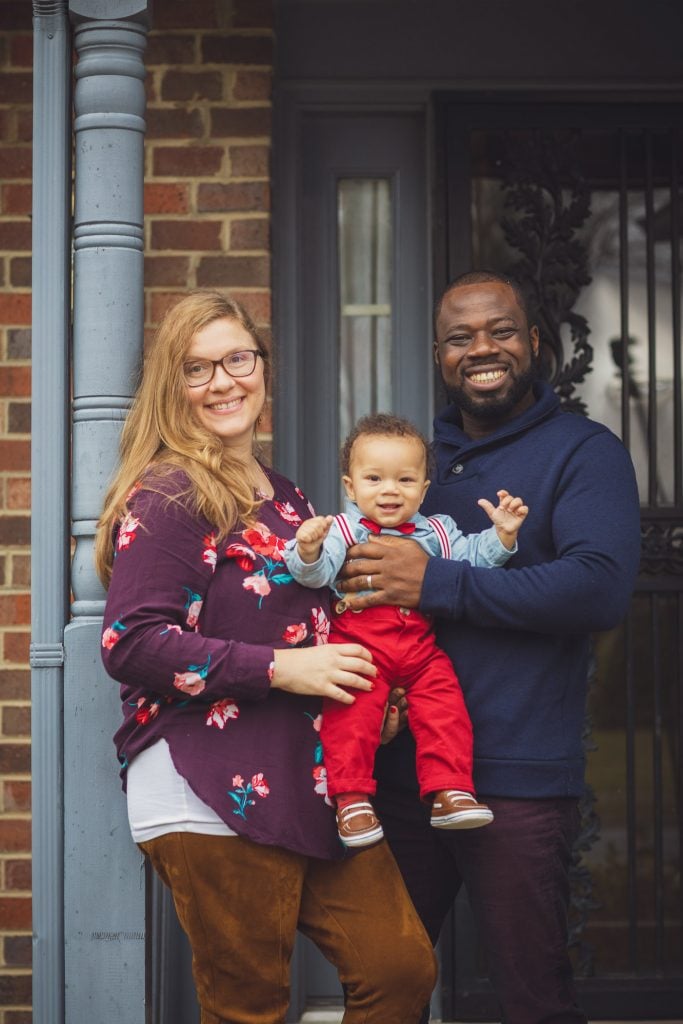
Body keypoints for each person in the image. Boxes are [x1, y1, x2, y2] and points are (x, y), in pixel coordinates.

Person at [95, 290, 436, 1024]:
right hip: (208, 785)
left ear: (262, 367)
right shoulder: (171, 492)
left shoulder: (284, 496)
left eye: (237, 359)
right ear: (172, 388)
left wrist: (359, 689)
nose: (223, 382)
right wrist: (287, 670)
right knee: (248, 1009)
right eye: (197, 369)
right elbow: (131, 641)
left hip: (309, 780)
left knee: (399, 968)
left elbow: (305, 623)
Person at [336, 271, 642, 1024]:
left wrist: (437, 583)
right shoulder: (411, 467)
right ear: (438, 354)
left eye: (500, 330)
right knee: (382, 987)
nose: (482, 348)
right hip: (400, 780)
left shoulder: (582, 452)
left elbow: (596, 588)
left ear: (533, 343)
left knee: (531, 997)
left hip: (516, 778)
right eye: (459, 337)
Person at [283, 412, 528, 849]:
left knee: (446, 710)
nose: (390, 490)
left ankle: (450, 790)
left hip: (420, 651)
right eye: (374, 478)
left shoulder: (438, 532)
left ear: (424, 489)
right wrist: (306, 548)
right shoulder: (341, 529)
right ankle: (352, 799)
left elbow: (476, 558)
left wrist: (503, 537)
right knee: (350, 718)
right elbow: (315, 576)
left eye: (405, 480)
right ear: (350, 486)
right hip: (360, 648)